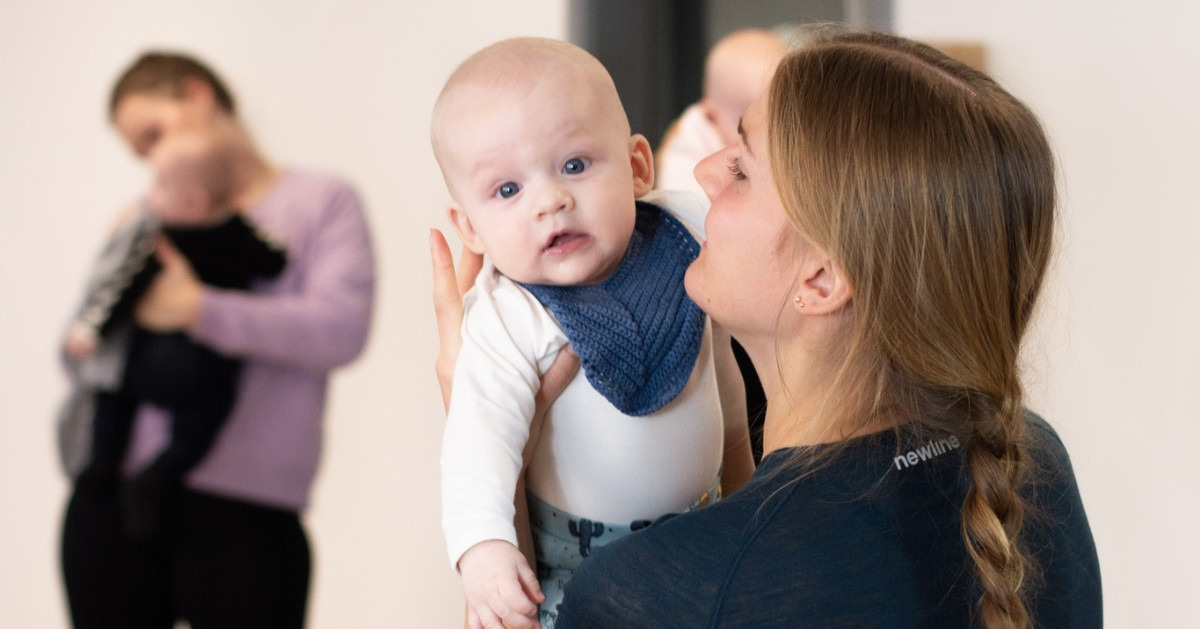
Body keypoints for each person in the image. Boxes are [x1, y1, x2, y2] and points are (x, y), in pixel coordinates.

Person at [433, 31, 1101, 628]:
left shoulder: (661, 593)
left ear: (821, 279)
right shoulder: (1026, 466)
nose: (702, 172)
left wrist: (501, 482)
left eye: (742, 170)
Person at [430, 38, 754, 629]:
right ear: (469, 228)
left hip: (705, 524)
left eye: (575, 165)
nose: (550, 201)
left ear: (637, 167)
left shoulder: (684, 228)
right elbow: (477, 443)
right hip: (578, 565)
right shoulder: (508, 315)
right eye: (508, 190)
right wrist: (484, 551)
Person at [59, 51, 375, 629]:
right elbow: (75, 352)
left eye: (154, 133)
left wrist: (199, 310)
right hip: (111, 500)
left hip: (249, 513)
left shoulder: (322, 201)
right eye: (141, 153)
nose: (153, 160)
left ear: (198, 95)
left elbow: (340, 330)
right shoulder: (146, 218)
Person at [66, 129, 288, 540]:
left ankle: (102, 460)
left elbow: (121, 289)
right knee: (206, 417)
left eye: (159, 186)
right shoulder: (241, 232)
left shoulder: (161, 240)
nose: (150, 197)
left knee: (112, 388)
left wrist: (89, 330)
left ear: (193, 203)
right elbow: (276, 261)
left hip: (150, 363)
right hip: (207, 371)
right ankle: (161, 473)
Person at [653, 28, 785, 198]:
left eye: (778, 120)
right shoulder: (688, 148)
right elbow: (685, 206)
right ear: (711, 116)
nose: (767, 136)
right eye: (745, 125)